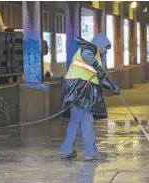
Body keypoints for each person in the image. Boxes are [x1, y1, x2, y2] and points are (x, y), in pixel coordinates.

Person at [60, 33, 121, 161]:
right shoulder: (89, 48)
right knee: (87, 120)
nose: (105, 52)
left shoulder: (95, 55)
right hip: (79, 88)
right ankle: (91, 153)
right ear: (99, 44)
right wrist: (98, 68)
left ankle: (66, 150)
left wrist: (113, 87)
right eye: (105, 48)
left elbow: (100, 78)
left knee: (75, 120)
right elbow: (88, 58)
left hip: (76, 88)